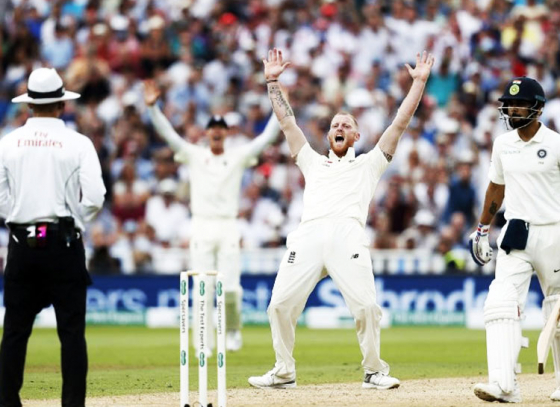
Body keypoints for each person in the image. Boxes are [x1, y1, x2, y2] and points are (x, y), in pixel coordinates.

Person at [248, 48, 434, 389]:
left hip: (348, 236)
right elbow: (287, 121)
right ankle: (283, 370)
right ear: (328, 133)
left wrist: (419, 82)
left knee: (366, 307)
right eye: (335, 123)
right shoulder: (311, 160)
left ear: (355, 137)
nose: (340, 126)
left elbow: (400, 122)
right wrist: (273, 80)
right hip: (307, 236)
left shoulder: (370, 163)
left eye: (347, 124)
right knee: (278, 306)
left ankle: (374, 371)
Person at [143, 80, 280, 352]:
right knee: (202, 289)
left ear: (226, 133)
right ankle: (202, 343)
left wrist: (279, 104)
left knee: (230, 287)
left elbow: (266, 138)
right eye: (213, 128)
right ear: (207, 133)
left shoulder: (238, 155)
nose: (217, 132)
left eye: (221, 128)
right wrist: (152, 108)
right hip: (201, 226)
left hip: (228, 225)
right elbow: (169, 135)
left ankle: (231, 332)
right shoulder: (194, 155)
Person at [0, 68, 106, 407]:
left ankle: (6, 401)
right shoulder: (78, 143)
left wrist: (18, 216)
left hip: (21, 244)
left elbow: (0, 199)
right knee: (72, 334)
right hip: (64, 244)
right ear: (62, 104)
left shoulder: (8, 142)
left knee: (15, 332)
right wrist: (75, 221)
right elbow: (95, 197)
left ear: (30, 105)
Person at [470, 77, 560, 403]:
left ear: (537, 108)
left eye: (520, 103)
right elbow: (496, 187)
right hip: (516, 232)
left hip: (555, 232)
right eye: (509, 104)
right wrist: (482, 228)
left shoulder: (556, 143)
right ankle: (504, 385)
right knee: (500, 303)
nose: (512, 108)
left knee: (557, 308)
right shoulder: (502, 143)